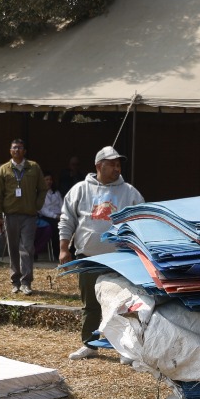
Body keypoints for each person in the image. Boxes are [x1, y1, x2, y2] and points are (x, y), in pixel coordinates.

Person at [58, 146, 144, 360]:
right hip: (88, 257)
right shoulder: (80, 189)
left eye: (118, 164)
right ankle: (89, 344)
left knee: (122, 303)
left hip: (120, 258)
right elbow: (67, 219)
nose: (117, 168)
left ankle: (125, 349)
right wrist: (63, 248)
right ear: (99, 166)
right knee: (91, 304)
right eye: (112, 163)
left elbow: (142, 221)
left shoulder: (129, 192)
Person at [0, 138, 45, 295]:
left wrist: (36, 206)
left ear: (24, 151)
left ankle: (26, 282)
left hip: (29, 215)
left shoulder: (34, 167)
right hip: (10, 215)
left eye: (20, 148)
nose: (17, 150)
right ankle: (15, 281)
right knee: (13, 248)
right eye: (14, 148)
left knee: (27, 248)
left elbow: (43, 189)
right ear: (10, 151)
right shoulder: (3, 170)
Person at [34, 173, 62, 258]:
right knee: (56, 227)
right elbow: (43, 210)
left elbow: (62, 204)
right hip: (47, 216)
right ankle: (57, 253)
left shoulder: (56, 192)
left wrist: (63, 214)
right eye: (47, 179)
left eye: (50, 179)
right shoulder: (39, 193)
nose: (49, 181)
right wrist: (56, 216)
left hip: (59, 215)